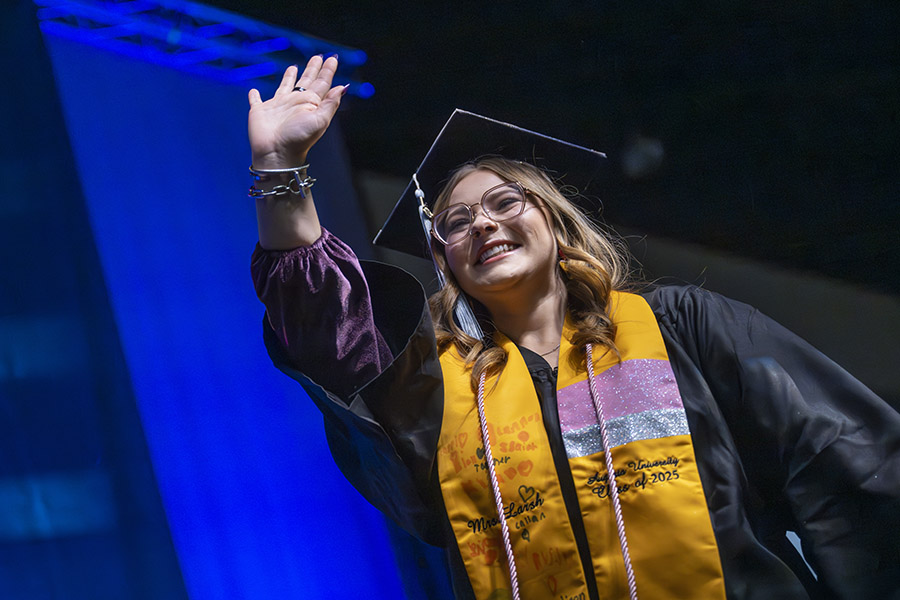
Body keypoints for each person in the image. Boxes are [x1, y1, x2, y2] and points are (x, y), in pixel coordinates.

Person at [248, 56, 900, 599]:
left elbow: (852, 470)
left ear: (554, 224)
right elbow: (325, 328)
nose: (481, 223)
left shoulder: (682, 327)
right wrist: (280, 166)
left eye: (506, 202)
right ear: (444, 259)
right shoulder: (440, 395)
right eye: (456, 222)